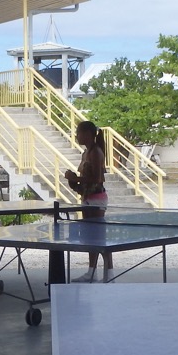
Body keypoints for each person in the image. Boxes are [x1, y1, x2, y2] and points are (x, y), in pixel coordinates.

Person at [64, 120, 113, 282]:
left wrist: (75, 177)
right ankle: (92, 272)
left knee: (99, 238)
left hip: (96, 200)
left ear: (87, 134)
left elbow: (98, 178)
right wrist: (74, 180)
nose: (76, 136)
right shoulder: (86, 153)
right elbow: (85, 179)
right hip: (87, 198)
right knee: (91, 238)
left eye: (78, 133)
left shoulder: (96, 152)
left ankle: (109, 274)